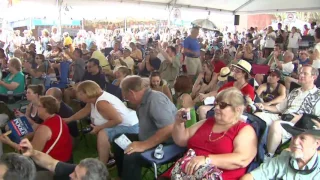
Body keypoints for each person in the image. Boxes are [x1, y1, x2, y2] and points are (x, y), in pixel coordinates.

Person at [161, 88, 257, 179]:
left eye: (222, 105)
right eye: (216, 104)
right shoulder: (207, 122)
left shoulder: (244, 130)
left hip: (216, 176)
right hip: (182, 173)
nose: (216, 108)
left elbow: (242, 159)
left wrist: (206, 159)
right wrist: (179, 123)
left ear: (238, 109)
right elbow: (181, 140)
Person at [114, 75, 175, 180]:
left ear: (132, 93)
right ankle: (122, 176)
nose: (127, 100)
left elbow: (169, 129)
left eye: (126, 98)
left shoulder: (155, 99)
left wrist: (144, 145)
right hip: (152, 139)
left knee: (132, 156)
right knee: (119, 139)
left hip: (166, 144)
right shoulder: (143, 101)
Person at [64, 80, 139, 165]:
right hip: (125, 123)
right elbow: (85, 111)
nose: (78, 97)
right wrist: (69, 119)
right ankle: (109, 156)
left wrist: (98, 128)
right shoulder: (93, 99)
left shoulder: (101, 103)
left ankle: (102, 164)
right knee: (101, 130)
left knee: (103, 133)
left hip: (130, 126)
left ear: (87, 93)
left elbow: (118, 119)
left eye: (80, 94)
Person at [255, 66, 320, 160]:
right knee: (257, 116)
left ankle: (269, 156)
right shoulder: (295, 91)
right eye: (300, 73)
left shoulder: (318, 95)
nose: (300, 75)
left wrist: (302, 117)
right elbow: (278, 108)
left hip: (298, 124)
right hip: (283, 116)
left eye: (304, 73)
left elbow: (317, 120)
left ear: (314, 77)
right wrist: (263, 106)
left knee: (277, 124)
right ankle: (256, 147)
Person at [241, 116, 320, 180]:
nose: (295, 142)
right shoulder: (284, 158)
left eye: (302, 138)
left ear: (317, 144)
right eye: (294, 136)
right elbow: (251, 177)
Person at [0, 96, 72, 162]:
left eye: (39, 106)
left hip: (51, 164)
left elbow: (30, 152)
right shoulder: (57, 118)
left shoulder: (44, 129)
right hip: (64, 159)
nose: (37, 108)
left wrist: (9, 142)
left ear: (46, 109)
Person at [20, 138, 108, 180]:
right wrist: (33, 152)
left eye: (75, 176)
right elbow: (51, 163)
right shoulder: (75, 170)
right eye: (74, 171)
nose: (70, 175)